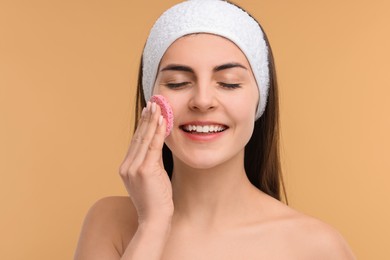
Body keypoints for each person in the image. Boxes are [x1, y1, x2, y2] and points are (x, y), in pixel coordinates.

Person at [74, 0, 356, 259]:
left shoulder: (316, 246)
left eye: (229, 83)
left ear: (260, 100)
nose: (203, 101)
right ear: (151, 100)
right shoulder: (110, 223)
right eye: (177, 83)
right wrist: (152, 224)